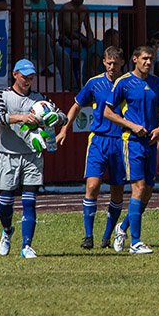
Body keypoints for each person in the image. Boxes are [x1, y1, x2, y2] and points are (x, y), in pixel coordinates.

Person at [0, 59, 66, 258]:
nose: (28, 81)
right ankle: (7, 231)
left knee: (29, 201)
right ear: (15, 74)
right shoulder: (2, 96)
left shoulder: (40, 99)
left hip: (33, 156)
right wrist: (19, 117)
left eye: (31, 77)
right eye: (24, 77)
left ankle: (26, 246)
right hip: (7, 155)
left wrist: (56, 118)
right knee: (5, 203)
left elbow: (62, 116)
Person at [57, 45, 127, 250]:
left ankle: (107, 236)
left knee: (117, 191)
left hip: (121, 140)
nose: (112, 66)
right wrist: (64, 129)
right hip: (98, 140)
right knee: (92, 186)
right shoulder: (95, 83)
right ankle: (88, 236)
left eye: (115, 63)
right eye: (109, 62)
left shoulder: (129, 83)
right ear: (104, 62)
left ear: (122, 63)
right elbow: (77, 105)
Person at [103, 45, 159, 254]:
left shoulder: (156, 83)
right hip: (132, 142)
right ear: (135, 59)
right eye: (145, 58)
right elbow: (108, 112)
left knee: (147, 192)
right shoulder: (124, 82)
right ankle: (135, 242)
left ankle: (123, 227)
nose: (148, 62)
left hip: (151, 142)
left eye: (151, 59)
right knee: (137, 188)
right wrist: (131, 125)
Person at [58, 0, 94, 89]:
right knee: (75, 45)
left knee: (95, 47)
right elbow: (68, 30)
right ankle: (74, 83)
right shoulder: (66, 8)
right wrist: (83, 40)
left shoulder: (84, 9)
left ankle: (88, 81)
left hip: (79, 36)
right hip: (65, 37)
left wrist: (90, 40)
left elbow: (89, 28)